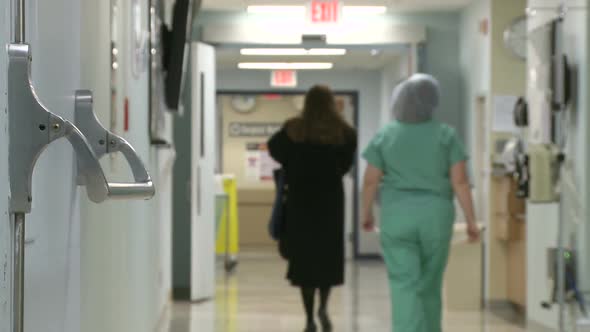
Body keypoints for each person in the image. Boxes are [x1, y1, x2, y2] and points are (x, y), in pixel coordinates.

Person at [361, 74, 480, 332]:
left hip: (397, 217)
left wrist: (366, 213)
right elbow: (460, 182)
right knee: (430, 283)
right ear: (433, 101)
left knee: (403, 284)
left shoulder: (386, 135)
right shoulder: (446, 135)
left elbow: (370, 181)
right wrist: (471, 221)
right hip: (435, 218)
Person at [268, 85, 357, 332]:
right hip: (330, 204)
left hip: (301, 204)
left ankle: (308, 317)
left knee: (305, 262)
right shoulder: (345, 133)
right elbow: (345, 165)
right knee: (326, 260)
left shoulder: (294, 129)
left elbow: (274, 149)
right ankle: (324, 308)